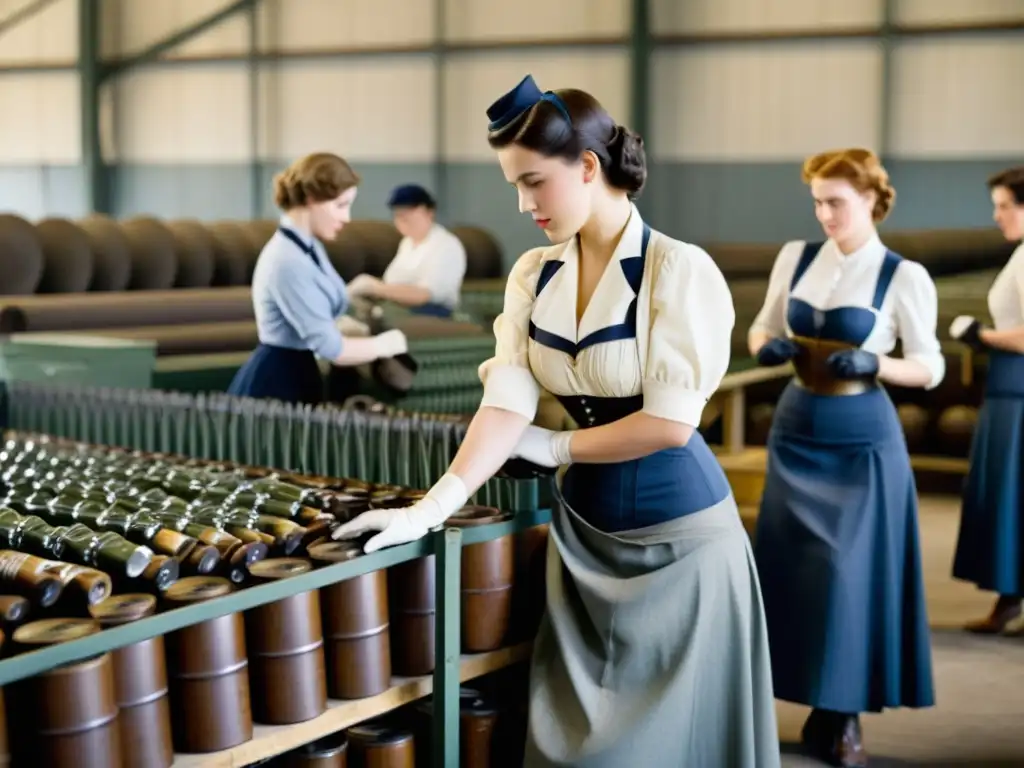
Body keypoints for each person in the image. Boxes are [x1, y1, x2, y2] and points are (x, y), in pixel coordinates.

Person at [333, 74, 780, 767]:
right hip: (581, 542)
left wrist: (555, 443)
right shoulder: (532, 275)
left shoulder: (677, 271)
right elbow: (505, 402)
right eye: (515, 184)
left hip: (680, 546)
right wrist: (430, 509)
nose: (523, 204)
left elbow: (669, 426)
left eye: (534, 182)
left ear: (590, 167)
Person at [748, 148, 943, 767]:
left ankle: (843, 714)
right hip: (796, 424)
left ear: (870, 201)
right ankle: (805, 703)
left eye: (835, 201)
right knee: (791, 571)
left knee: (846, 575)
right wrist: (768, 346)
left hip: (861, 437)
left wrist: (877, 363)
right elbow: (760, 326)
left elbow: (930, 366)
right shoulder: (795, 257)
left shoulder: (902, 275)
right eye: (817, 201)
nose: (823, 213)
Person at [227, 152, 409, 405]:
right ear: (312, 199)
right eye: (340, 205)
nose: (346, 218)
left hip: (300, 374)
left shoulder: (309, 247)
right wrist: (385, 344)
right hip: (276, 384)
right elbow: (333, 349)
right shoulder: (287, 260)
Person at [950, 166, 1024, 633]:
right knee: (1009, 495)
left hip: (1019, 390)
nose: (996, 216)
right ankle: (1010, 598)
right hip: (1007, 387)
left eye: (1004, 206)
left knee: (1016, 494)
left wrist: (983, 335)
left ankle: (1010, 600)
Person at [346, 184, 467, 318]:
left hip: (434, 316)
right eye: (398, 214)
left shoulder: (445, 245)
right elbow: (393, 282)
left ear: (429, 212)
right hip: (399, 311)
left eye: (410, 212)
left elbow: (425, 295)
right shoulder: (407, 244)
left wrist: (378, 288)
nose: (403, 218)